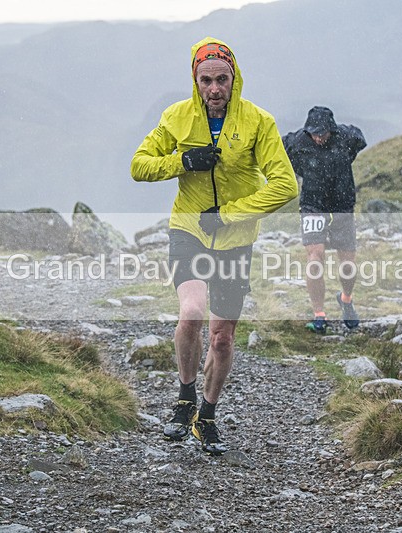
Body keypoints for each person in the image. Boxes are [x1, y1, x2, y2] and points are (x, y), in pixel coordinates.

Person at [130, 38, 298, 454]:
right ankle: (185, 399)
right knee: (191, 313)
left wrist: (231, 213)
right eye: (206, 80)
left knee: (221, 338)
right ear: (195, 80)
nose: (215, 88)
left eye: (222, 79)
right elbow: (139, 166)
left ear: (234, 78)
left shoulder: (258, 121)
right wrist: (182, 162)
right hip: (188, 227)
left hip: (235, 239)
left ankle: (207, 415)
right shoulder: (178, 117)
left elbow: (286, 185)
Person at [283, 106, 367, 333]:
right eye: (314, 133)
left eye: (323, 133)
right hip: (312, 205)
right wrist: (297, 170)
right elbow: (276, 150)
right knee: (315, 255)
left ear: (331, 129)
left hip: (342, 205)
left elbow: (361, 139)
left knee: (347, 263)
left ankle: (346, 298)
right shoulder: (297, 141)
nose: (318, 138)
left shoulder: (347, 137)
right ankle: (319, 314)